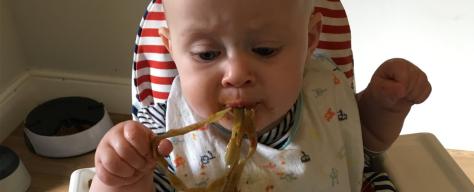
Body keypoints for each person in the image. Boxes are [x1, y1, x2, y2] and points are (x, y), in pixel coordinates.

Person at [90, 0, 431, 191]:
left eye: (265, 49)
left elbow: (364, 142)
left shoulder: (325, 94)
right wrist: (121, 179)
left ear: (310, 40)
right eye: (207, 54)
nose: (236, 74)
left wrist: (384, 106)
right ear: (173, 50)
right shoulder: (160, 134)